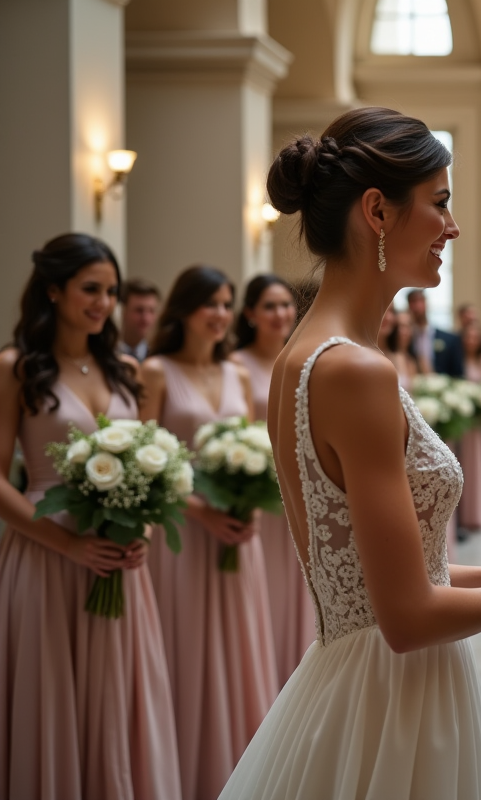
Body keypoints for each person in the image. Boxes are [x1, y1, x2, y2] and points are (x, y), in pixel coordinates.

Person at [219, 106, 481, 800]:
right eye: (440, 203)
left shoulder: (306, 355)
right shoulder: (354, 370)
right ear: (378, 212)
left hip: (358, 678)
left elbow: (409, 571)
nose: (452, 226)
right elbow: (408, 618)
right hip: (390, 702)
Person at [0, 233, 181, 799]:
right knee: (52, 691)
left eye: (112, 291)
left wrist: (144, 528)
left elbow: (155, 468)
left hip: (122, 560)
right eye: (90, 289)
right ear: (53, 290)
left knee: (120, 696)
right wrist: (69, 545)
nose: (104, 303)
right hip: (46, 553)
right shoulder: (17, 367)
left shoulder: (127, 369)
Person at [141, 266, 279, 800]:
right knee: (187, 644)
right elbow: (147, 463)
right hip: (183, 532)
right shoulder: (154, 372)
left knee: (235, 646)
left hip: (234, 533)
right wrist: (201, 512)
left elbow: (249, 449)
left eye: (226, 304)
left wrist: (247, 505)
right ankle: (182, 769)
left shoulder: (236, 376)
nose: (220, 315)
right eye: (211, 305)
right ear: (184, 311)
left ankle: (236, 768)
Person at [230, 275, 316, 688]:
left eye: (286, 305)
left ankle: (296, 674)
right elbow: (239, 434)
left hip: (299, 495)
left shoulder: (301, 357)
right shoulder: (237, 365)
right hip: (261, 497)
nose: (282, 314)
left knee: (298, 590)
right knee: (266, 593)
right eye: (270, 306)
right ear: (250, 315)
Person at [459, 322, 481, 531]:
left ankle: (477, 512)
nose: (471, 341)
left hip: (478, 423)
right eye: (468, 336)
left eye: (475, 337)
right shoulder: (459, 360)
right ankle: (463, 513)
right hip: (462, 421)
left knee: (477, 465)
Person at [407, 288, 463, 376]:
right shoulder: (406, 338)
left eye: (420, 301)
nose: (417, 306)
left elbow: (457, 372)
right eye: (413, 302)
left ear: (426, 303)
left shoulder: (449, 339)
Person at [118, 276, 160, 362]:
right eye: (139, 310)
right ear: (123, 311)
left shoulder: (160, 357)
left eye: (151, 311)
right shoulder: (108, 354)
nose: (146, 318)